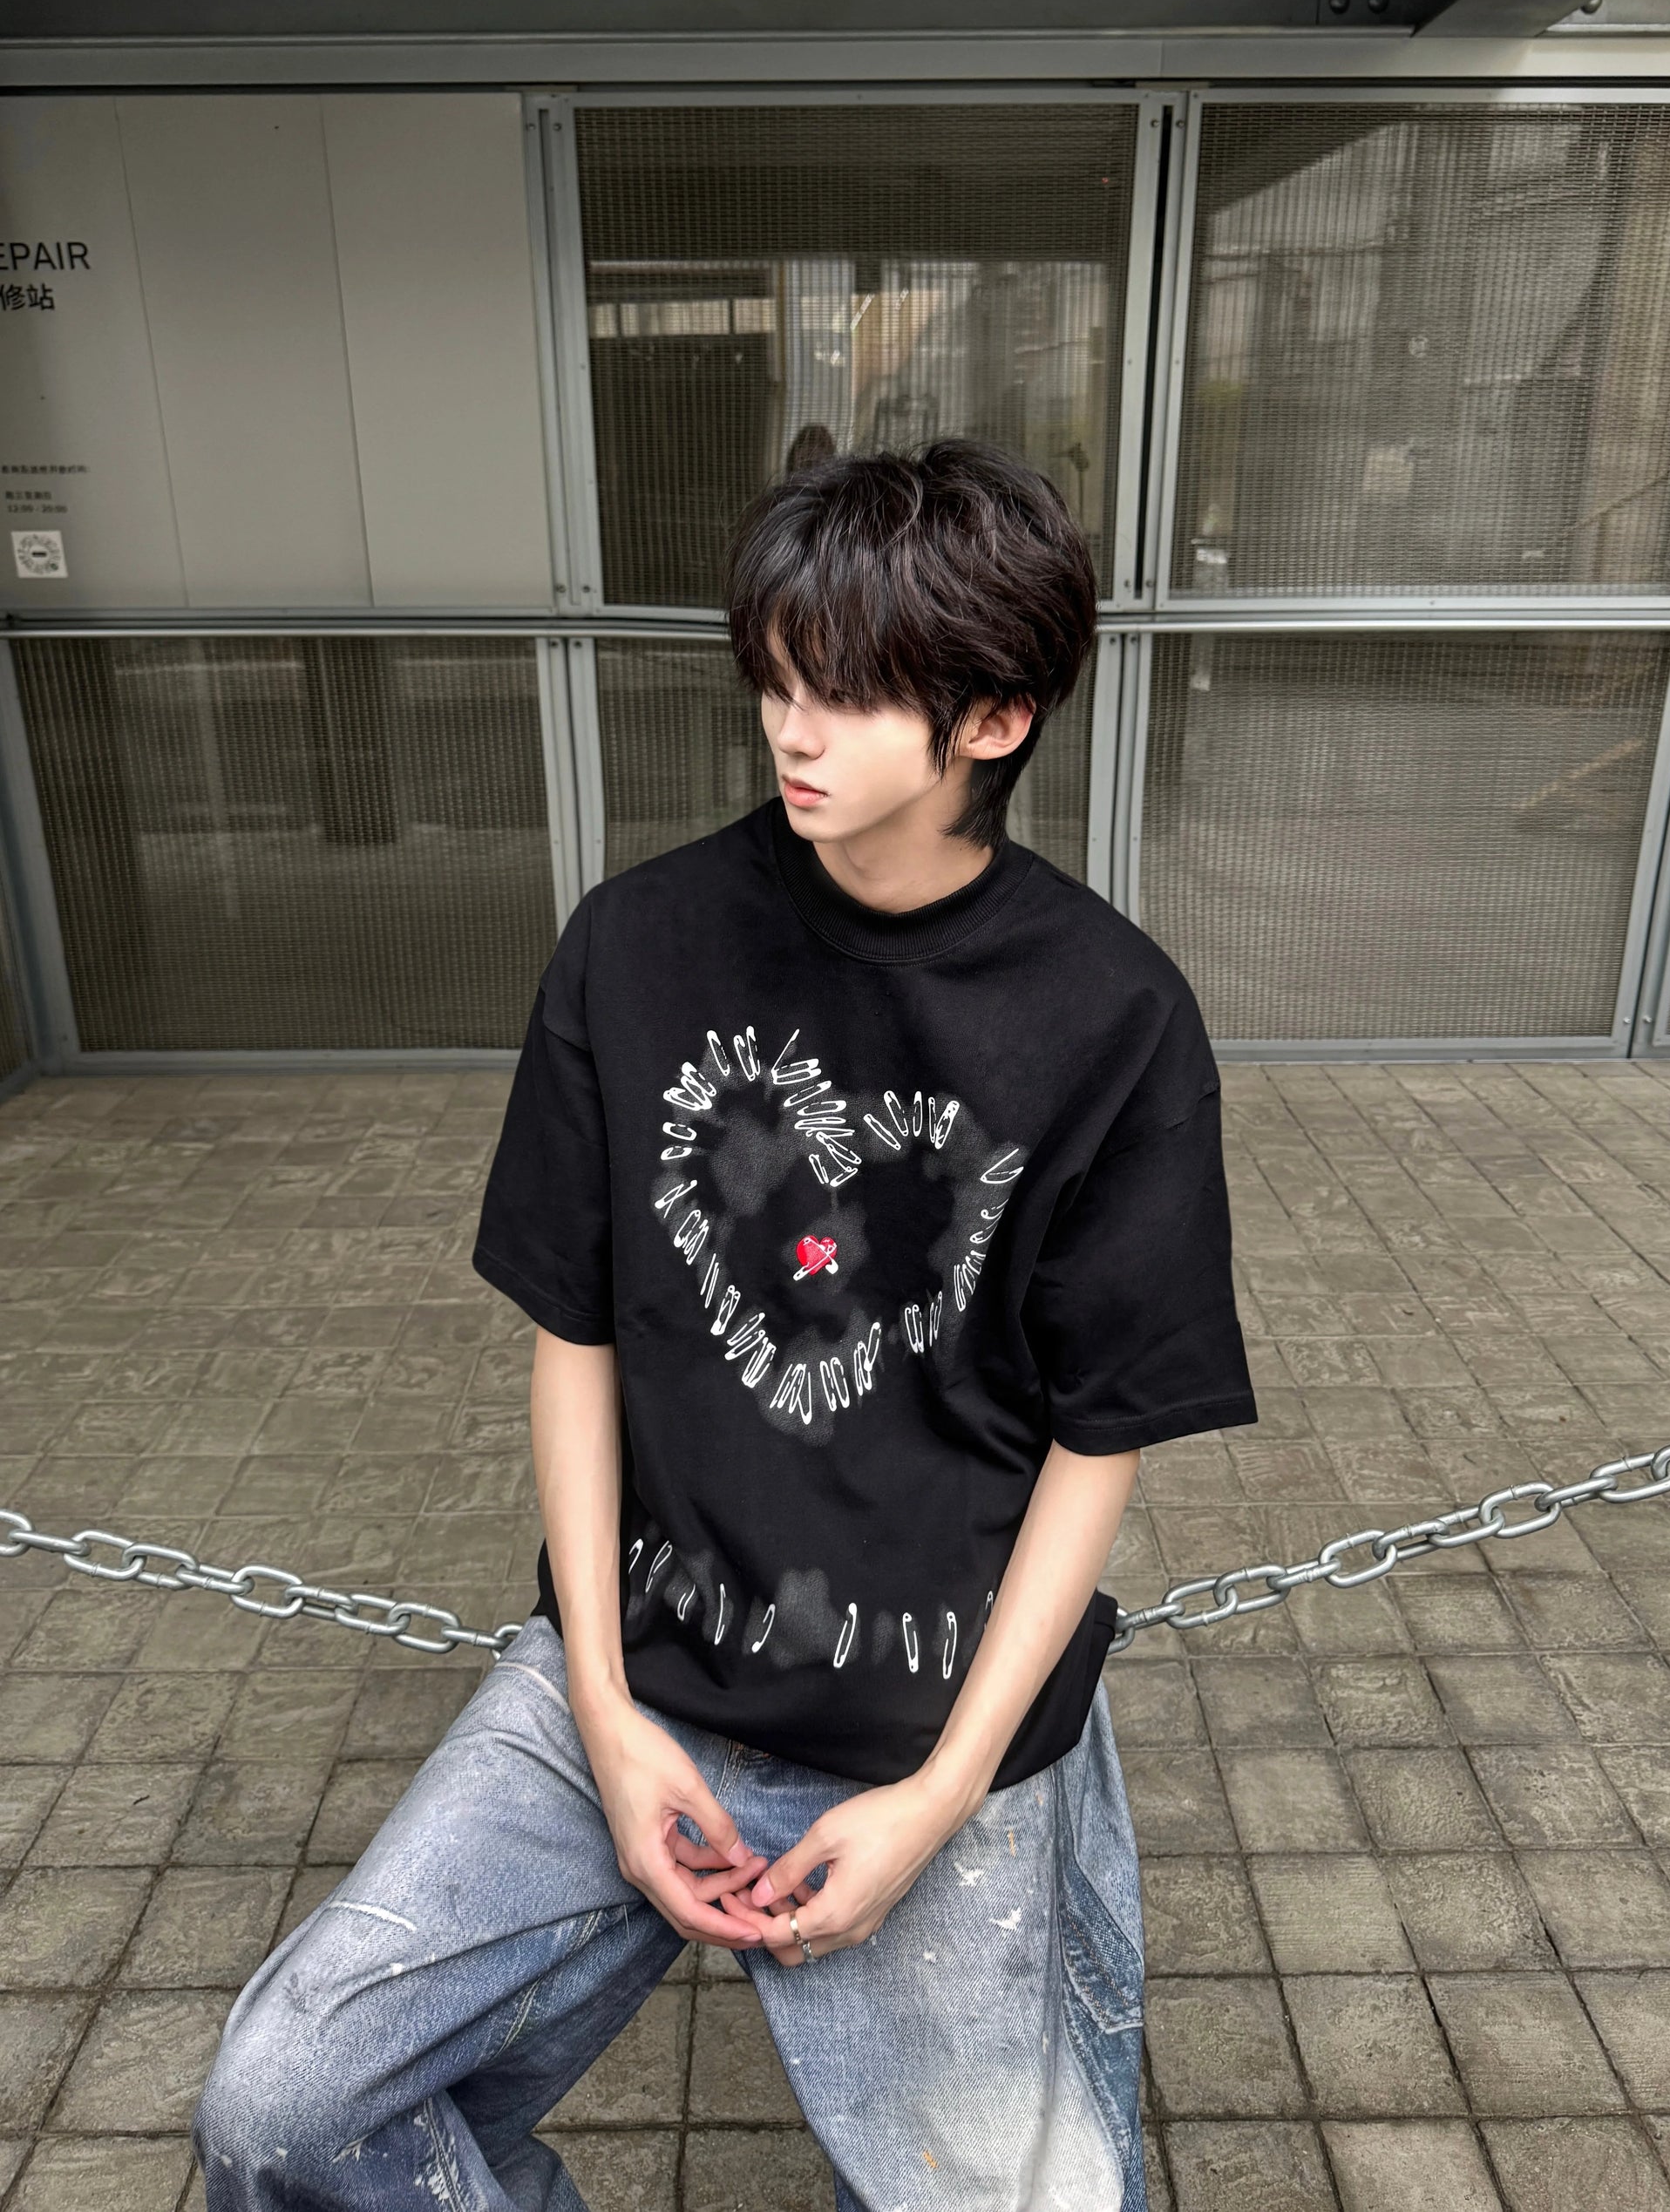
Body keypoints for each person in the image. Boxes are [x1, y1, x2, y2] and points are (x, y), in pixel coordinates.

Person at [193, 439, 1257, 2212]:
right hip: (635, 1672)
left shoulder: (1112, 1016)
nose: (791, 728)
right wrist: (605, 1713)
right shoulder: (637, 944)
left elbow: (1100, 1439)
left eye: (846, 691)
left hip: (935, 1725)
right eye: (774, 675)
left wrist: (937, 1798)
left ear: (995, 720)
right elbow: (577, 1335)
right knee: (285, 2107)